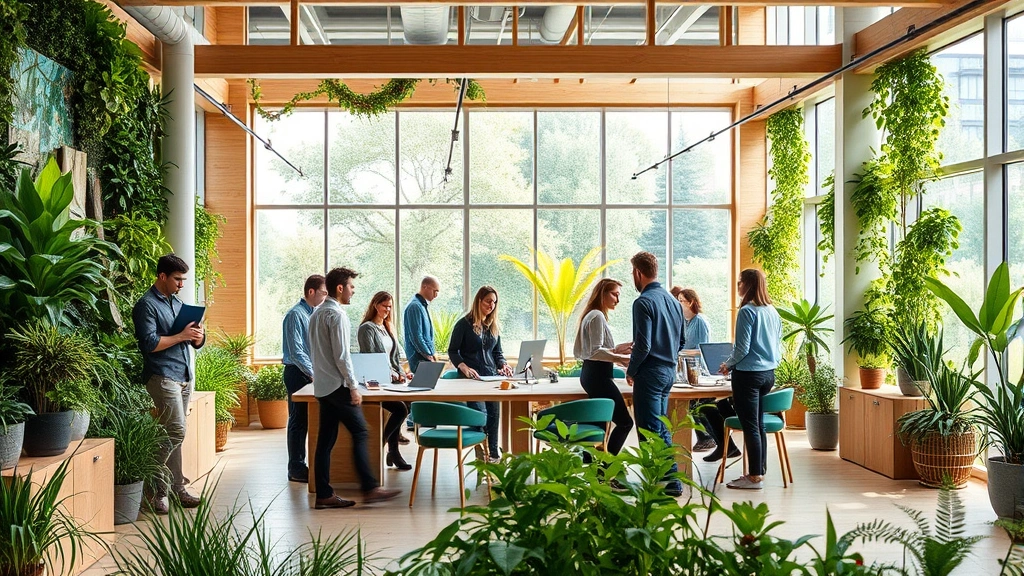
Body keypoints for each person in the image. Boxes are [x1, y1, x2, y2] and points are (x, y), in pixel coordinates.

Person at [308, 267, 400, 508]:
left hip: (323, 387)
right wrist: (353, 386)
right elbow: (342, 356)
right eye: (351, 287)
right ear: (340, 288)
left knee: (325, 443)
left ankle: (324, 495)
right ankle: (370, 488)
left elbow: (316, 353)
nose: (353, 292)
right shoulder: (337, 316)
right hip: (338, 387)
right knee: (361, 432)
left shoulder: (316, 314)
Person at [132, 254, 206, 514]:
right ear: (162, 276)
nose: (181, 285)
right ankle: (153, 487)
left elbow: (189, 340)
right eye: (177, 279)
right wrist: (181, 335)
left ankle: (177, 488)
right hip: (162, 376)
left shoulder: (177, 303)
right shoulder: (146, 305)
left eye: (183, 280)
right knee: (176, 431)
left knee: (174, 433)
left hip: (184, 375)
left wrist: (197, 337)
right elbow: (150, 344)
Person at [714, 268, 782, 491]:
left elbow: (742, 348)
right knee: (758, 424)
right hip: (768, 374)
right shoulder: (772, 311)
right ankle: (758, 472)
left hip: (748, 375)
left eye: (739, 282)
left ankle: (753, 478)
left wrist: (728, 364)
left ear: (747, 285)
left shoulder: (747, 311)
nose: (738, 286)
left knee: (750, 425)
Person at [626, 252, 685, 497]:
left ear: (638, 273)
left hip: (650, 374)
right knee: (660, 427)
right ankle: (667, 480)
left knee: (649, 430)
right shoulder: (673, 302)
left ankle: (667, 482)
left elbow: (643, 345)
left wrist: (631, 369)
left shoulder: (643, 302)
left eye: (632, 273)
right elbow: (681, 341)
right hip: (668, 371)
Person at [448, 286, 513, 462]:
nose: (491, 305)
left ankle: (493, 454)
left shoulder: (493, 326)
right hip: (471, 378)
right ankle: (481, 455)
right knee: (480, 416)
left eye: (494, 302)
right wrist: (463, 367)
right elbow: (453, 351)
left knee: (494, 415)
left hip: (492, 376)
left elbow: (497, 352)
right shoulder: (464, 324)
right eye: (488, 301)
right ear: (479, 301)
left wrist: (503, 364)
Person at [573, 278, 634, 456]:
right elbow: (594, 352)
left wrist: (617, 350)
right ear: (603, 294)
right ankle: (605, 468)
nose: (617, 299)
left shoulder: (592, 315)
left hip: (593, 374)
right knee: (625, 423)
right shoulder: (597, 316)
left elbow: (596, 350)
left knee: (599, 424)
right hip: (598, 376)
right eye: (615, 294)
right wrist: (621, 359)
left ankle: (594, 469)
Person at [357, 291, 413, 471]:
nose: (388, 310)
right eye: (384, 306)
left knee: (408, 402)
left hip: (393, 381)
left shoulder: (388, 327)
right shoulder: (367, 328)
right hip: (377, 382)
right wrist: (391, 374)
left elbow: (393, 358)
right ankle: (381, 447)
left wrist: (402, 374)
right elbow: (371, 358)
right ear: (375, 305)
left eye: (390, 307)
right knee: (399, 409)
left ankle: (393, 452)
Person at [281, 274, 327, 484]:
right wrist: (315, 375)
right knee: (298, 421)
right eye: (324, 293)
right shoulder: (295, 315)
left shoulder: (314, 314)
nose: (326, 297)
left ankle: (303, 465)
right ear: (311, 292)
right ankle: (296, 468)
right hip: (297, 373)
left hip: (309, 373)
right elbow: (297, 352)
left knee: (306, 421)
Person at [671, 286, 716, 453]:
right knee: (691, 406)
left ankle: (707, 437)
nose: (678, 304)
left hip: (698, 371)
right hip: (686, 369)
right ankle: (705, 438)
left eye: (681, 301)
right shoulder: (685, 322)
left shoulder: (700, 321)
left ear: (690, 302)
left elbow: (702, 349)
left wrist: (679, 352)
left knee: (697, 406)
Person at [404, 276, 440, 374]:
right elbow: (416, 337)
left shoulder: (421, 306)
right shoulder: (415, 306)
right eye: (434, 291)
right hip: (419, 360)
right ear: (425, 287)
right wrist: (429, 355)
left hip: (424, 359)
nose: (436, 295)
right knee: (423, 388)